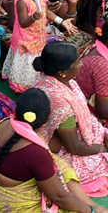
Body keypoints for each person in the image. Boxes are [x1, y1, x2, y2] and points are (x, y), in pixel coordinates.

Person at [0, 88, 101, 213]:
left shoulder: (4, 123)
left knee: (59, 164)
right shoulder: (35, 152)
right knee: (71, 208)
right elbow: (59, 197)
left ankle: (89, 203)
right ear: (45, 122)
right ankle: (93, 207)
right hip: (15, 208)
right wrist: (90, 210)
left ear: (16, 110)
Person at [30, 41, 108, 194]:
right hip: (64, 149)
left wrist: (103, 133)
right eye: (78, 61)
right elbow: (74, 147)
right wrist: (103, 148)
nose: (82, 63)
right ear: (63, 71)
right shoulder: (59, 100)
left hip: (76, 134)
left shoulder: (58, 80)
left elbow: (83, 113)